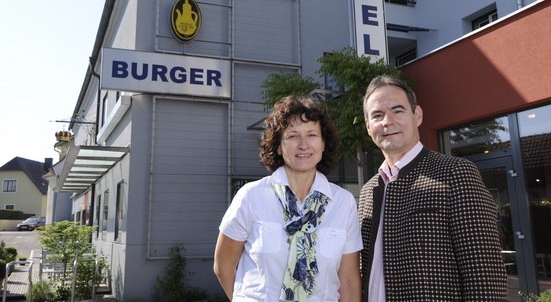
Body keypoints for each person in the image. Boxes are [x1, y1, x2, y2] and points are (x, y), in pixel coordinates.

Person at [358, 75, 507, 301]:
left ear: (417, 115)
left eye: (398, 111)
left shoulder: (456, 173)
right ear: (368, 127)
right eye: (377, 115)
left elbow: (485, 275)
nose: (387, 121)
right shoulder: (368, 191)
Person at [214, 95, 363, 301]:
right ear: (278, 146)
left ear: (323, 144)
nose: (303, 145)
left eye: (312, 135)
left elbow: (348, 281)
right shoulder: (251, 196)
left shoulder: (343, 203)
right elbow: (223, 265)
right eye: (292, 136)